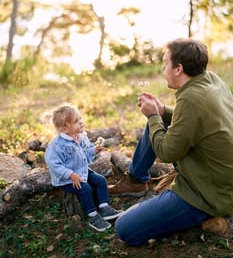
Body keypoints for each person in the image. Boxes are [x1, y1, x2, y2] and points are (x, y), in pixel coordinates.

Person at [108, 37, 233, 246]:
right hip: (218, 175)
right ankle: (137, 181)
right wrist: (161, 110)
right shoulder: (211, 80)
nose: (162, 68)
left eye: (165, 63)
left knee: (125, 228)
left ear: (178, 69)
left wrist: (153, 115)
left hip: (208, 193)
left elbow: (166, 153)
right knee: (156, 124)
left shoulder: (191, 99)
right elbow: (191, 121)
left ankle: (206, 216)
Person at [45, 103, 122, 232]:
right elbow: (54, 164)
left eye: (80, 118)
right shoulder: (57, 145)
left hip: (82, 171)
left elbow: (84, 152)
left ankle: (104, 207)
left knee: (100, 180)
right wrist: (70, 174)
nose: (81, 122)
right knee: (85, 188)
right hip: (67, 179)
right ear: (64, 128)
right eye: (76, 121)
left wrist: (93, 150)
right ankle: (93, 216)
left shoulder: (81, 137)